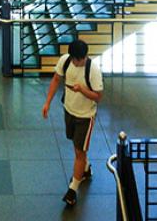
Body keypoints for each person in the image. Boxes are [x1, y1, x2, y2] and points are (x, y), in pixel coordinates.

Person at [41, 38, 104, 208]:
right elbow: (55, 80)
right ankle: (85, 167)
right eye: (76, 60)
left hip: (85, 116)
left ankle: (73, 189)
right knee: (76, 146)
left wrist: (82, 90)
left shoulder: (93, 70)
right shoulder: (65, 61)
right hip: (69, 110)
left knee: (78, 151)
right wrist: (47, 102)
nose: (78, 63)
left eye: (81, 60)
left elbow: (98, 97)